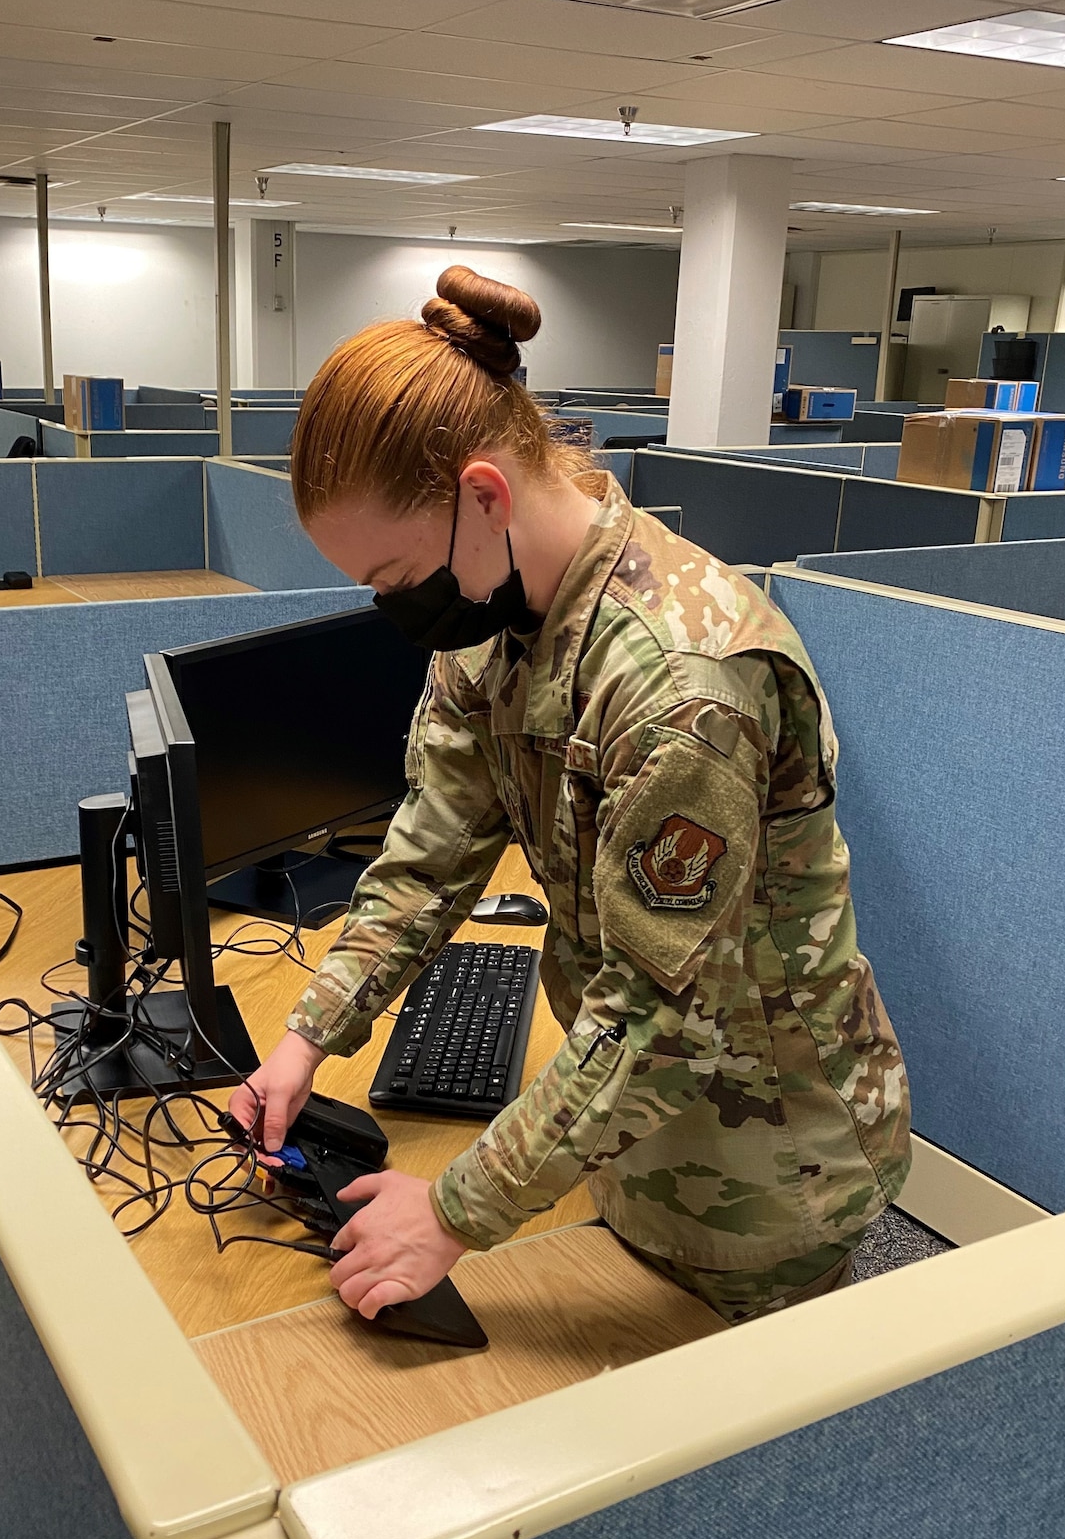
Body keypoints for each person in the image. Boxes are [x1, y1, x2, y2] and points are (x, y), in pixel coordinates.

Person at [229, 266, 910, 1329]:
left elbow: (657, 1018)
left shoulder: (683, 683)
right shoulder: (493, 612)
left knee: (736, 1468)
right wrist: (307, 1037)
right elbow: (430, 850)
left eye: (399, 575)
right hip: (621, 1137)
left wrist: (452, 1211)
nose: (395, 606)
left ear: (486, 493)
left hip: (767, 1163)